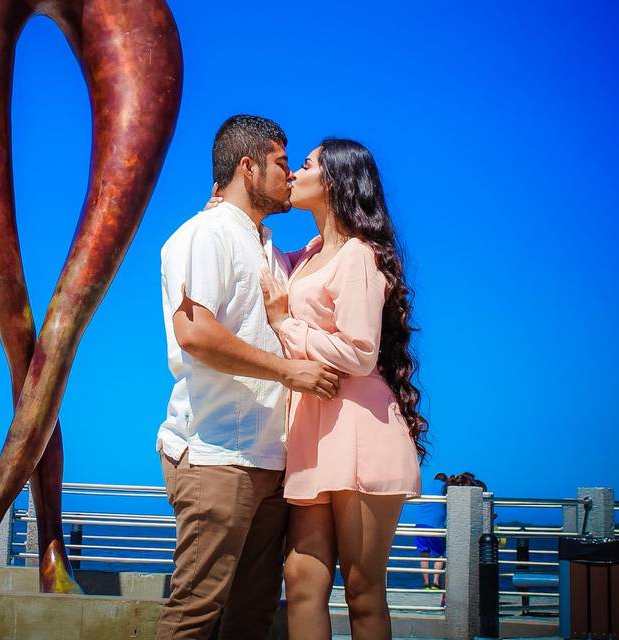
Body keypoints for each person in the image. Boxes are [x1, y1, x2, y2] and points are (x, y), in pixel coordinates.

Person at [156, 115, 343, 640]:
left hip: (272, 462)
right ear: (248, 166)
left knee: (252, 617)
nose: (289, 175)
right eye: (283, 163)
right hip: (217, 455)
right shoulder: (204, 233)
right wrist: (290, 371)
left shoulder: (271, 249)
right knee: (195, 611)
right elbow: (195, 333)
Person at [255, 139, 427, 639]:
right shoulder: (306, 255)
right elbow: (262, 257)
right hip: (312, 429)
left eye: (304, 165)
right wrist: (232, 207)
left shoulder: (359, 256)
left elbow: (360, 353)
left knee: (362, 587)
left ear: (333, 180)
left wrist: (287, 326)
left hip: (359, 431)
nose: (293, 173)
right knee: (302, 579)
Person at [414, 472, 448, 590]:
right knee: (440, 555)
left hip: (420, 525)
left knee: (424, 554)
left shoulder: (425, 486)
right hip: (435, 526)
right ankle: (435, 582)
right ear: (445, 480)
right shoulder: (445, 487)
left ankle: (426, 584)